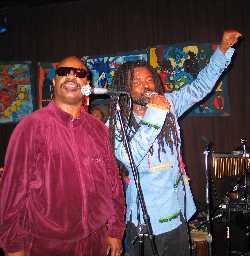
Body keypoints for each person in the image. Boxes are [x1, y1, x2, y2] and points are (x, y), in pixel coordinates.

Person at [108, 30, 241, 256]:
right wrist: (155, 114)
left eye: (148, 78)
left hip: (177, 215)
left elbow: (200, 87)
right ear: (126, 88)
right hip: (144, 223)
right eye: (137, 81)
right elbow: (127, 157)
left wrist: (222, 51)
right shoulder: (117, 121)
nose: (145, 84)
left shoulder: (169, 103)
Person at [0, 56, 125, 256]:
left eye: (79, 74)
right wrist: (14, 247)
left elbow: (113, 184)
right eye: (63, 72)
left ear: (87, 84)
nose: (71, 77)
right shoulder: (31, 127)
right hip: (49, 245)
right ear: (55, 81)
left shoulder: (98, 129)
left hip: (96, 241)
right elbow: (13, 192)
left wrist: (115, 230)